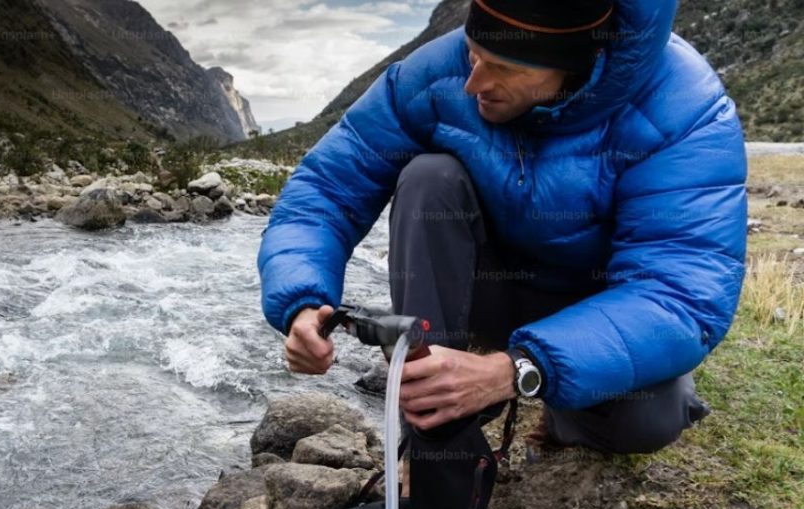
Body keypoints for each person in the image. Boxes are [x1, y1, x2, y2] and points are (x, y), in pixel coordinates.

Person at [258, 0, 746, 461]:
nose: (473, 84)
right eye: (474, 55)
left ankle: (547, 401)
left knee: (645, 422)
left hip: (589, 306)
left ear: (580, 64)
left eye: (507, 68)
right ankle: (434, 435)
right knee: (429, 179)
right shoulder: (440, 72)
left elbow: (680, 295)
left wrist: (519, 370)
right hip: (482, 292)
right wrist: (301, 298)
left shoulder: (682, 109)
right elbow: (327, 188)